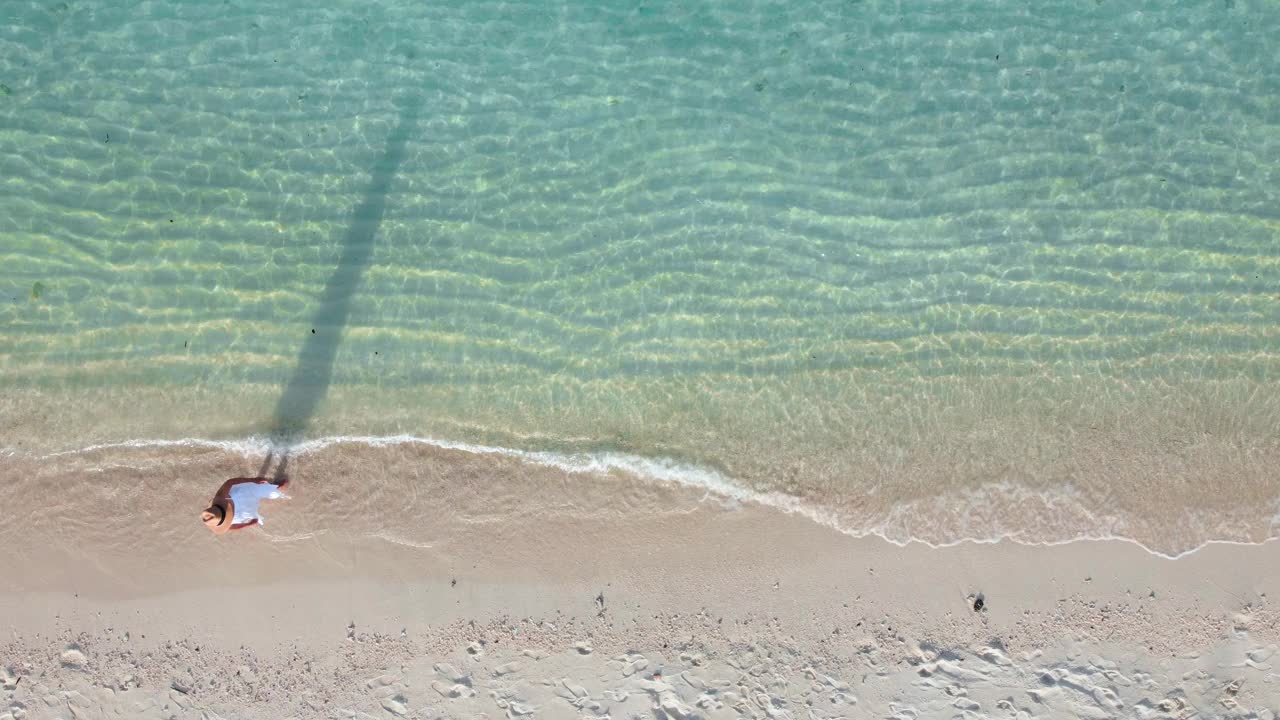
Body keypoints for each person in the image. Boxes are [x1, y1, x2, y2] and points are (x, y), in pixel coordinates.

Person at [201, 477, 289, 534]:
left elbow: (231, 527)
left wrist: (247, 524)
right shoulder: (220, 497)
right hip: (240, 497)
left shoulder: (216, 522)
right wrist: (254, 480)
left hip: (243, 512)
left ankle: (276, 489)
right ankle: (276, 487)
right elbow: (230, 482)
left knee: (262, 492)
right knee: (268, 489)